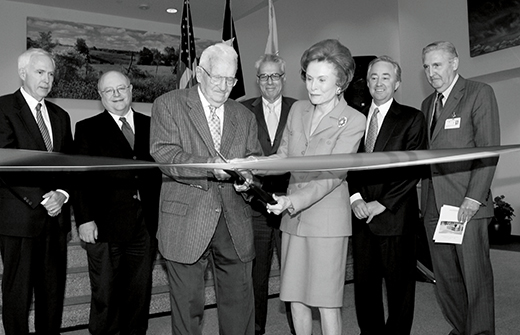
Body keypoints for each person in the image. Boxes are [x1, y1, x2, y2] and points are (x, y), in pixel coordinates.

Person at [149, 42, 263, 335]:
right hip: (185, 221)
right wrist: (210, 165)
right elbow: (166, 156)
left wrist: (250, 177)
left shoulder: (245, 115)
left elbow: (255, 160)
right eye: (218, 77)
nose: (225, 86)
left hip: (234, 221)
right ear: (200, 73)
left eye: (231, 79)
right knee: (188, 311)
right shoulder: (168, 104)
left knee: (240, 308)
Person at [257, 39, 366, 335]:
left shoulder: (354, 120)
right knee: (295, 297)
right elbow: (283, 156)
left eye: (321, 80)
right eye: (308, 77)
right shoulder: (298, 110)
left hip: (326, 221)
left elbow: (332, 174)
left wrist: (292, 201)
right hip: (293, 219)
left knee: (326, 302)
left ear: (340, 82)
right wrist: (250, 165)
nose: (312, 86)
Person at [72, 71, 162, 335]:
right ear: (100, 96)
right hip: (104, 225)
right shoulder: (87, 128)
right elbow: (79, 179)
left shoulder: (152, 124)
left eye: (121, 88)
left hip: (145, 225)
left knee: (139, 291)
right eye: (109, 91)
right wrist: (84, 219)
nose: (116, 95)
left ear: (131, 89)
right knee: (106, 293)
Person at [421, 41, 500, 335]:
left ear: (454, 63)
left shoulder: (479, 93)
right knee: (446, 277)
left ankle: (480, 332)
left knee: (474, 276)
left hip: (465, 205)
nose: (431, 72)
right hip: (434, 208)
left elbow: (488, 151)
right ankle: (462, 327)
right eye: (426, 66)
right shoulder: (428, 105)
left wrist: (473, 198)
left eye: (437, 64)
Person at [347, 56, 428, 334]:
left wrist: (381, 204)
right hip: (361, 216)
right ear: (366, 82)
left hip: (394, 216)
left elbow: (415, 168)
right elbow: (347, 164)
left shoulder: (412, 117)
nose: (378, 82)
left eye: (385, 77)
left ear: (397, 83)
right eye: (373, 77)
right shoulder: (354, 118)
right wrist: (355, 198)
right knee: (365, 287)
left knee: (400, 288)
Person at [0, 48, 73, 335]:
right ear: (23, 73)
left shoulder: (60, 115)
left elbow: (69, 163)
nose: (47, 79)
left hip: (56, 221)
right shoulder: (3, 108)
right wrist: (43, 198)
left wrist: (62, 194)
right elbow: (4, 162)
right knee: (18, 294)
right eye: (40, 72)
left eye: (51, 74)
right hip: (19, 218)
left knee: (52, 293)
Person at [241, 54, 297, 335]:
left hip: (292, 203)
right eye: (264, 76)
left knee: (294, 273)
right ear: (258, 80)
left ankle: (297, 329)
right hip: (256, 205)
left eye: (275, 75)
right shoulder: (242, 110)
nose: (270, 81)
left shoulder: (301, 109)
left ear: (284, 78)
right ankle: (257, 329)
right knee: (256, 275)